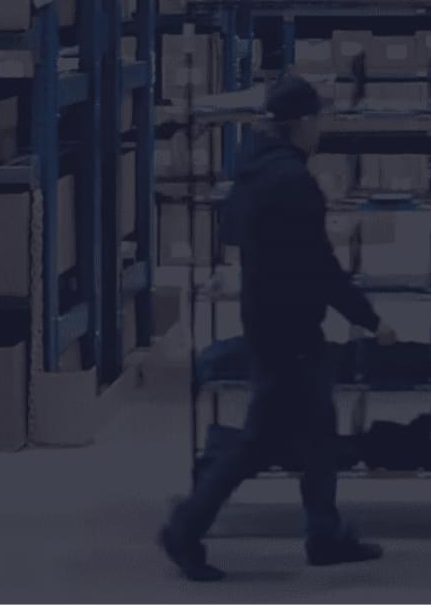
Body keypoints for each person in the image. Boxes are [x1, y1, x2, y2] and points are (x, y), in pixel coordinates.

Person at [160, 73, 394, 581]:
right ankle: (184, 528)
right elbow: (320, 267)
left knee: (317, 434)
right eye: (318, 120)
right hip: (291, 330)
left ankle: (325, 534)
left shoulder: (251, 170)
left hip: (265, 318)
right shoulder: (294, 182)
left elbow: (234, 235)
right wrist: (370, 319)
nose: (320, 130)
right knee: (257, 443)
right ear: (304, 122)